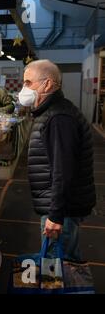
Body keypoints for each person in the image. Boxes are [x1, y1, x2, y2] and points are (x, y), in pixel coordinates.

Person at [20, 59, 96, 262]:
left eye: (28, 83)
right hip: (61, 206)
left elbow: (63, 171)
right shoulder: (51, 113)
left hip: (63, 209)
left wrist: (55, 215)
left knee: (59, 267)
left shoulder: (58, 117)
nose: (24, 88)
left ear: (47, 84)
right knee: (62, 262)